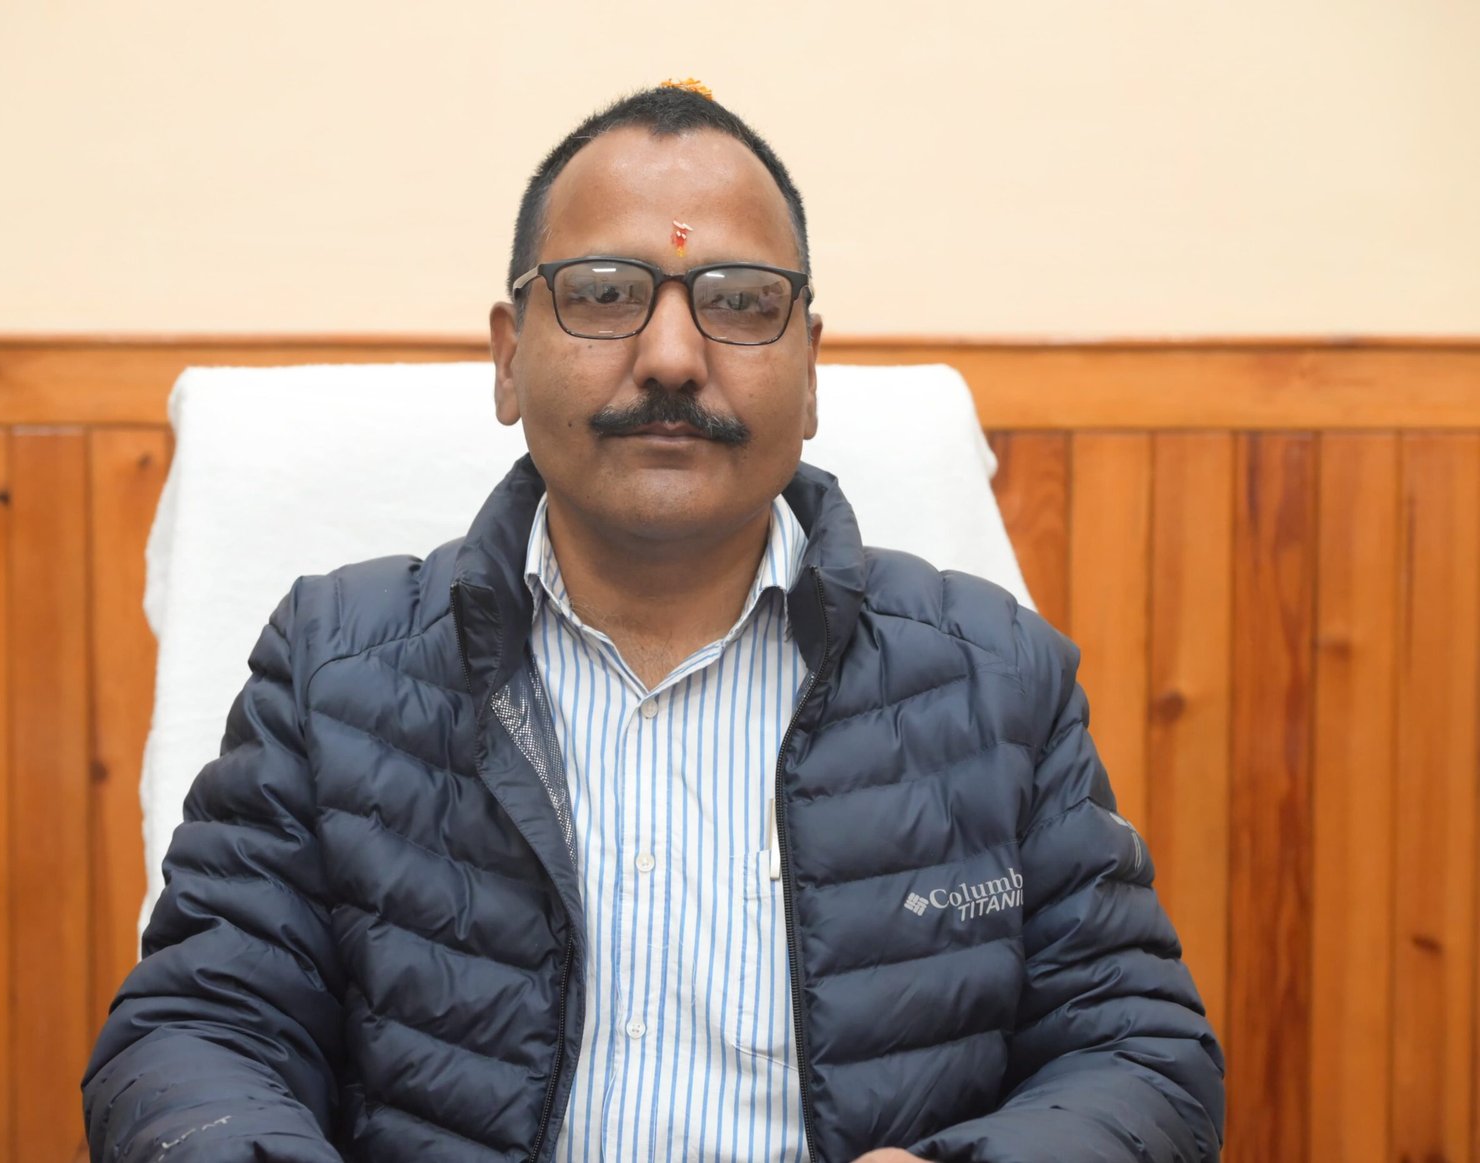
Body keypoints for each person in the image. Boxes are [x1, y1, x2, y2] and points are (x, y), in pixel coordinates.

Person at [83, 83, 1224, 1163]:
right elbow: (197, 1030)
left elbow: (1140, 1055)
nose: (672, 357)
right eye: (601, 293)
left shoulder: (993, 680)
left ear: (810, 370)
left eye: (739, 302)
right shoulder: (335, 668)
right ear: (507, 358)